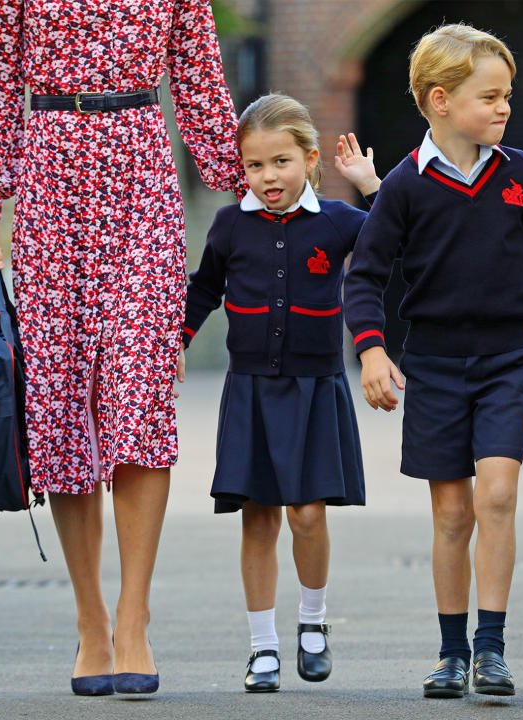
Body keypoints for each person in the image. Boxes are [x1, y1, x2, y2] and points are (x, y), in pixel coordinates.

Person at [0, 0, 249, 696]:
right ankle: (91, 620)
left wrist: (248, 184)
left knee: (138, 391)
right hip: (49, 170)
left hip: (141, 162)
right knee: (58, 401)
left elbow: (201, 72)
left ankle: (133, 616)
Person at [343, 23, 523, 698]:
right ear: (440, 100)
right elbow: (365, 276)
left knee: (496, 493)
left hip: (506, 359)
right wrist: (373, 351)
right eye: (489, 96)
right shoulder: (405, 188)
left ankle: (492, 649)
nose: (504, 108)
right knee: (451, 516)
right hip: (435, 366)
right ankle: (451, 653)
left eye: (507, 96)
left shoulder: (520, 172)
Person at [176, 93, 381, 693]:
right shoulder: (229, 224)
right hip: (251, 391)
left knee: (309, 515)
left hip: (316, 388)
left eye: (281, 162)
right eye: (254, 165)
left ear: (311, 159)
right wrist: (175, 344)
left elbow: (401, 242)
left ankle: (312, 625)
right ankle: (262, 648)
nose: (268, 177)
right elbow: (204, 288)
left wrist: (372, 188)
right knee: (258, 518)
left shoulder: (342, 221)